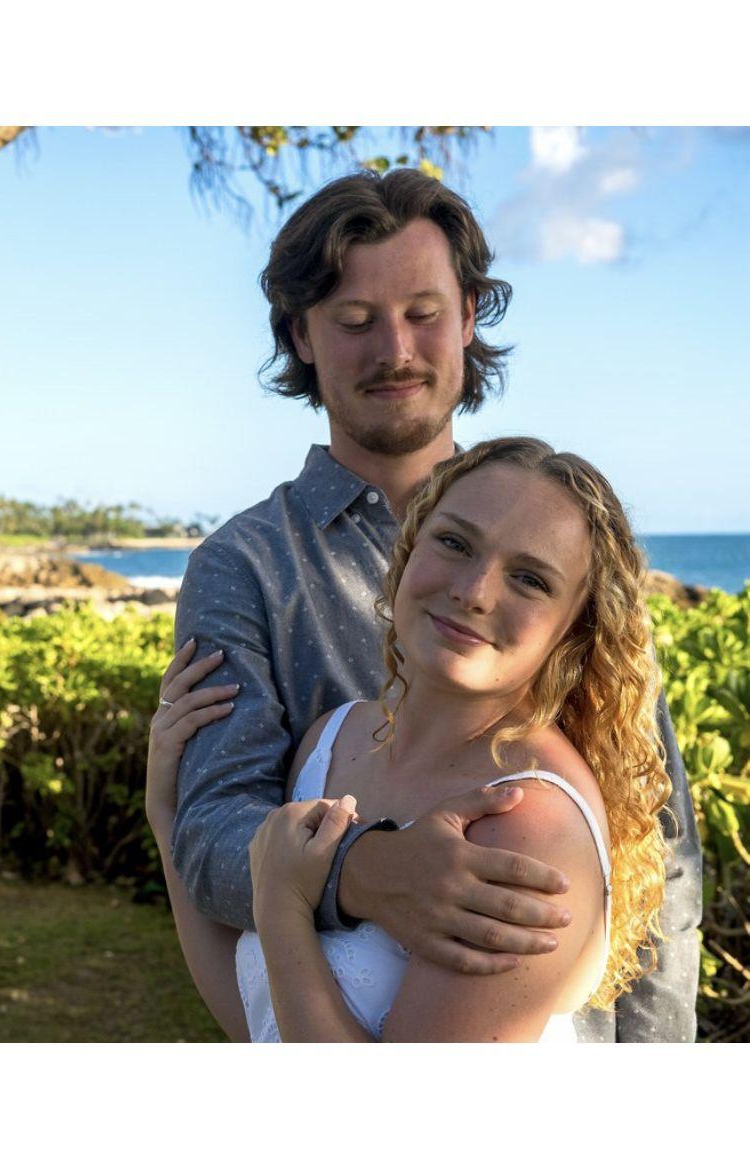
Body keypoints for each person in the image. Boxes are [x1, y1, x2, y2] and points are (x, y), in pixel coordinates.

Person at [164, 168, 701, 1041]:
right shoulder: (243, 566)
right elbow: (214, 827)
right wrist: (368, 870)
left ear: (470, 316)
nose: (397, 351)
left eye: (423, 313)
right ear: (301, 334)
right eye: (354, 321)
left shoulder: (568, 537)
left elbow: (663, 844)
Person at [149, 437, 670, 1041]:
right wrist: (167, 817)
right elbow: (263, 1023)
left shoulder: (529, 821)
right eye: (454, 543)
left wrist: (286, 901)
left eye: (529, 579)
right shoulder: (334, 739)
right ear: (409, 547)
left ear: (575, 629)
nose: (474, 592)